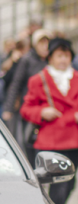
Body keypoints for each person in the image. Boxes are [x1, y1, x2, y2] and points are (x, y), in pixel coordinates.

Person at [20, 38, 78, 204]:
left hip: (74, 139)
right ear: (51, 58)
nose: (63, 59)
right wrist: (42, 112)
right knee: (57, 185)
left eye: (67, 55)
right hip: (50, 140)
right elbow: (26, 108)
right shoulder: (38, 80)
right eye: (59, 56)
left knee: (70, 183)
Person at [3, 29, 51, 162]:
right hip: (29, 109)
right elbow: (16, 84)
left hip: (48, 109)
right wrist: (9, 107)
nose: (45, 46)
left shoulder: (51, 60)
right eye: (41, 43)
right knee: (29, 141)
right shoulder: (27, 60)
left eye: (47, 42)